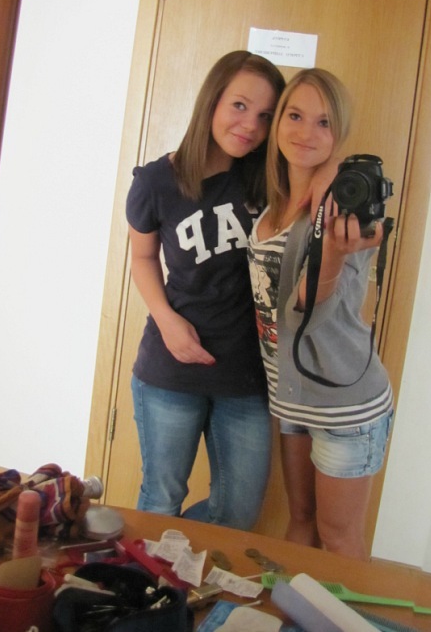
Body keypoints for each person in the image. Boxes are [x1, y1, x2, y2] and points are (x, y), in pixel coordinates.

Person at [126, 50, 286, 530]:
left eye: (265, 116)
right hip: (171, 368)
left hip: (247, 374)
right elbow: (141, 257)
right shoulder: (157, 182)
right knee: (162, 499)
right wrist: (166, 320)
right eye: (240, 105)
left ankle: (181, 556)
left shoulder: (270, 181)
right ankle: (154, 575)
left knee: (237, 513)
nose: (250, 125)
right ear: (212, 100)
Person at [248, 68, 394, 559]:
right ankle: (293, 603)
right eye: (295, 115)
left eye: (324, 122)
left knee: (339, 538)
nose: (306, 132)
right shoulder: (272, 202)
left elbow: (306, 310)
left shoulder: (346, 207)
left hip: (344, 406)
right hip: (291, 396)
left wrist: (331, 248)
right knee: (300, 521)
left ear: (339, 134)